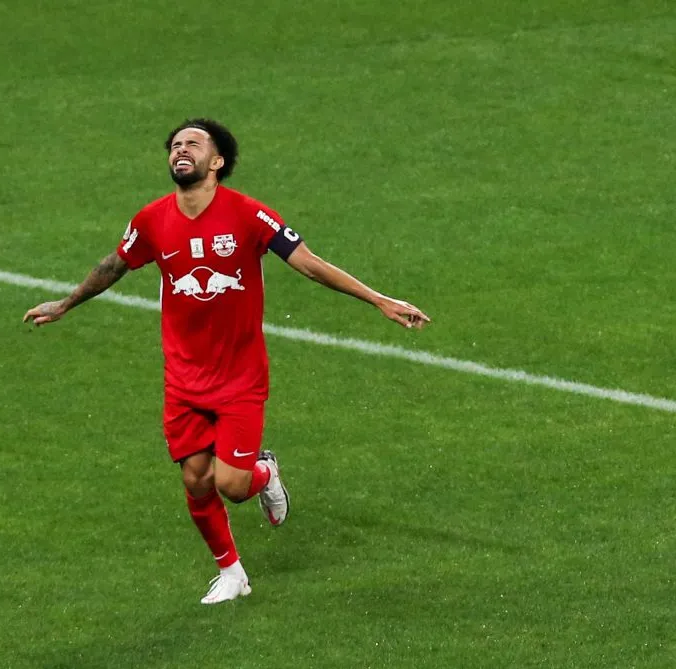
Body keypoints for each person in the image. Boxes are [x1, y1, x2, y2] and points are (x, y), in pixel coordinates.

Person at [23, 118, 430, 604]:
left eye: (193, 144)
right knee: (196, 479)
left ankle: (265, 473)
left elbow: (310, 264)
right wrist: (66, 303)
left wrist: (379, 300)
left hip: (239, 377)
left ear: (217, 162)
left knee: (232, 485)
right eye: (175, 145)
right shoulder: (151, 220)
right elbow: (114, 265)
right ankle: (232, 573)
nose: (181, 150)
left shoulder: (249, 216)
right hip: (183, 377)